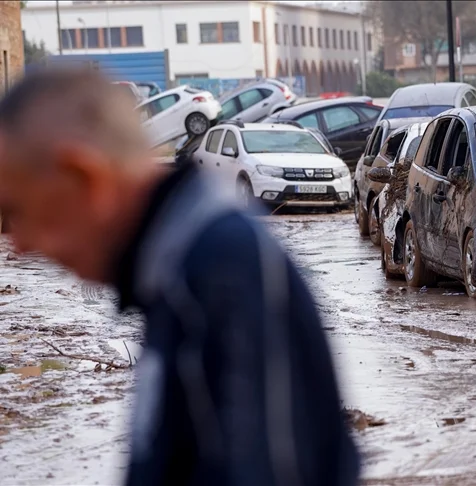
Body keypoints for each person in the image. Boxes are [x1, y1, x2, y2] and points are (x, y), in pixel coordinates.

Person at [0, 68, 359, 485]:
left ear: (84, 178)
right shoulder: (174, 271)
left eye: (15, 212)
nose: (18, 244)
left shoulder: (222, 272)